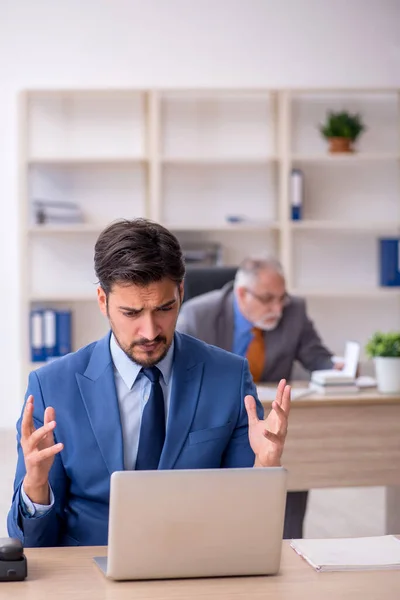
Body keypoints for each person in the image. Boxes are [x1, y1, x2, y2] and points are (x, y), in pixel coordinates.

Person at [8, 220, 291, 548]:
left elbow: (248, 527)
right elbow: (30, 544)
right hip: (90, 570)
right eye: (131, 313)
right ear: (103, 301)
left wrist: (265, 465)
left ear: (181, 293)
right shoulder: (52, 386)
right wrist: (37, 484)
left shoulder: (229, 377)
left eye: (164, 309)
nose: (150, 331)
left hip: (198, 565)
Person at [177, 256, 336, 539]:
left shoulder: (294, 311)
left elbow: (318, 358)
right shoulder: (197, 315)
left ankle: (285, 544)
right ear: (241, 294)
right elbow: (179, 378)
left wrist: (341, 369)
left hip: (272, 416)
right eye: (267, 299)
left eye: (281, 298)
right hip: (215, 418)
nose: (277, 308)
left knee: (293, 457)